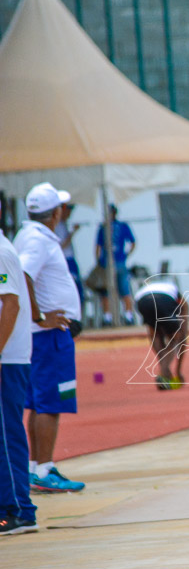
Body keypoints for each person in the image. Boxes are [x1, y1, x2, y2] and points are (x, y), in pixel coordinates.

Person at [13, 182, 85, 494]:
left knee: (40, 402)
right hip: (48, 336)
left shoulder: (31, 235)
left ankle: (36, 466)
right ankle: (43, 468)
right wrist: (40, 316)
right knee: (50, 402)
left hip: (44, 335)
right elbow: (23, 274)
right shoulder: (38, 240)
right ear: (55, 213)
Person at [0, 208, 38, 535]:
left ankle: (18, 510)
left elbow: (10, 303)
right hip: (7, 356)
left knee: (6, 432)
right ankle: (14, 506)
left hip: (7, 358)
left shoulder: (0, 252)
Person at [134, 277, 189, 390]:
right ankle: (162, 373)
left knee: (156, 335)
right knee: (175, 338)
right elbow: (183, 337)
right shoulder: (180, 300)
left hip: (142, 301)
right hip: (162, 300)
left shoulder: (166, 290)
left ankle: (164, 371)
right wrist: (178, 372)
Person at [94, 203, 136, 326]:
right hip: (120, 262)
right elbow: (133, 243)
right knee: (124, 290)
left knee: (106, 291)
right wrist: (126, 255)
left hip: (106, 263)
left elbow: (97, 247)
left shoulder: (103, 227)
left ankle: (108, 317)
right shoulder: (122, 226)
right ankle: (128, 316)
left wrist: (98, 262)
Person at [55, 197, 84, 303]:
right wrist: (73, 233)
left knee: (78, 291)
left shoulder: (62, 224)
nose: (70, 213)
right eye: (68, 210)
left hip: (70, 260)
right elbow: (61, 246)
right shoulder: (57, 226)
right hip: (66, 261)